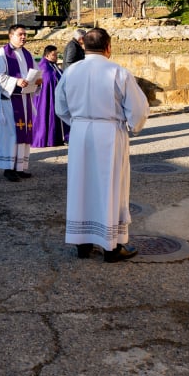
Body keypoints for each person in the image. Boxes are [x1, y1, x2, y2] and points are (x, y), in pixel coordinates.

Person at [55, 28, 149, 263]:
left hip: (80, 133)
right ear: (108, 47)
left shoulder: (70, 71)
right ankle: (111, 246)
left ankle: (82, 243)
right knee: (110, 186)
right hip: (108, 133)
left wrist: (78, 122)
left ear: (84, 46)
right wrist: (132, 126)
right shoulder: (118, 72)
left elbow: (60, 107)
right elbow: (137, 110)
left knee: (81, 185)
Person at [0, 25, 42, 181]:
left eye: (25, 34)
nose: (23, 37)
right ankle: (8, 168)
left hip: (24, 100)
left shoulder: (27, 54)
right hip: (10, 101)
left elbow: (35, 73)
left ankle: (20, 167)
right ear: (10, 36)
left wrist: (38, 81)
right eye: (20, 34)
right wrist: (16, 81)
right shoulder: (2, 53)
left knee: (24, 132)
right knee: (11, 133)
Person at [32, 45, 69, 147]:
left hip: (55, 97)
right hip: (46, 99)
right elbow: (47, 80)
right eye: (54, 55)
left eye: (56, 54)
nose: (56, 56)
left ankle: (58, 137)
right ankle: (48, 138)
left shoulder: (53, 65)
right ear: (47, 55)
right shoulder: (44, 67)